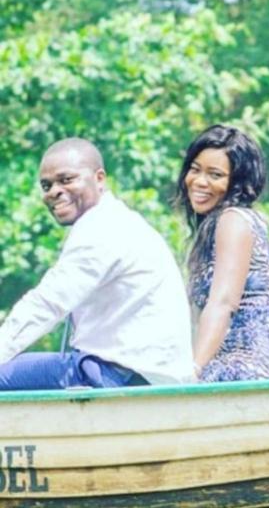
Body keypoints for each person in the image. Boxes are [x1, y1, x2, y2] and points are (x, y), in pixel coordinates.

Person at [0, 138, 194, 390]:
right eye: (46, 185)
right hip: (142, 373)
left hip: (122, 374)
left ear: (99, 178)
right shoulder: (113, 220)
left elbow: (47, 304)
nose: (54, 191)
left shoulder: (103, 229)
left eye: (66, 179)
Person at [176, 124, 269, 382]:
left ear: (236, 183)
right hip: (232, 372)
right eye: (195, 169)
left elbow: (223, 303)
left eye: (215, 174)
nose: (200, 181)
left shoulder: (233, 220)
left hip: (252, 374)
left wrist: (193, 371)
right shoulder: (212, 228)